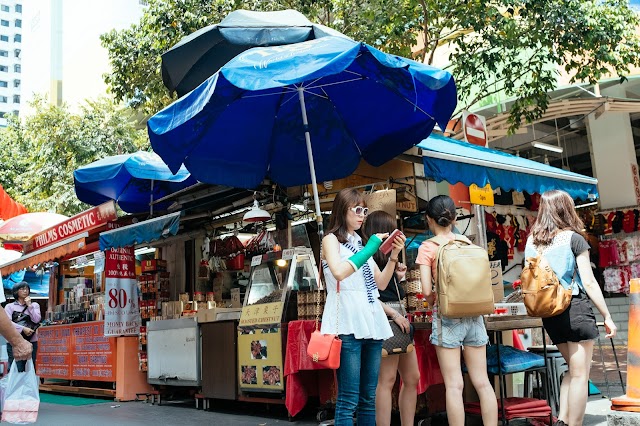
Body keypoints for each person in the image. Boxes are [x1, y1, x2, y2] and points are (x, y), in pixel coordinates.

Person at [525, 190, 616, 426]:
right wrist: (607, 315)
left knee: (572, 371)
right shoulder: (574, 239)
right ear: (566, 210)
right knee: (580, 375)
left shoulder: (531, 242)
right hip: (574, 308)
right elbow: (589, 281)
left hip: (550, 313)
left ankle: (562, 420)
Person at [321, 188, 406, 426]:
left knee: (368, 397)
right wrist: (371, 249)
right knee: (348, 399)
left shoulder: (360, 243)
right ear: (342, 210)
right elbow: (339, 272)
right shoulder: (331, 240)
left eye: (364, 211)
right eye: (357, 210)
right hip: (347, 321)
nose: (362, 215)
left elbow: (381, 283)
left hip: (371, 320)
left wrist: (393, 255)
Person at [416, 195, 497, 426]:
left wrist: (434, 299)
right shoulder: (468, 244)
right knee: (482, 382)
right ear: (454, 218)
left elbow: (426, 290)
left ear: (429, 219)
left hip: (447, 316)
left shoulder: (428, 247)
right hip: (475, 314)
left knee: (454, 384)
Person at [362, 210, 419, 426]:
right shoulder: (367, 259)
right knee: (387, 380)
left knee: (412, 378)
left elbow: (386, 290)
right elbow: (368, 296)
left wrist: (399, 277)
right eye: (391, 230)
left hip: (399, 321)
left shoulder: (385, 260)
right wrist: (394, 314)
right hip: (388, 321)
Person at [5, 281, 41, 371]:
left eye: (27, 289)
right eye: (22, 289)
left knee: (30, 367)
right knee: (16, 368)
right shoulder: (10, 306)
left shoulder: (34, 305)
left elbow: (37, 320)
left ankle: (29, 381)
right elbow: (7, 322)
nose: (25, 291)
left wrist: (29, 306)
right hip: (14, 341)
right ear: (16, 291)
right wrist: (22, 328)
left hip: (31, 340)